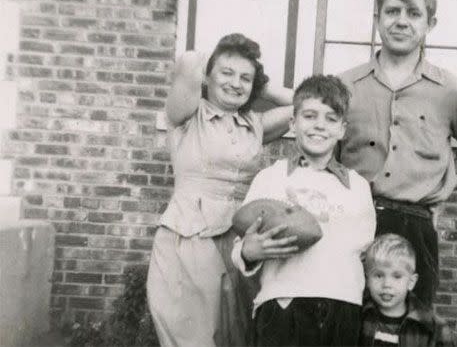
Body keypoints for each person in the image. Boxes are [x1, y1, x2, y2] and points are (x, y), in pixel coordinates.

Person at [338, 0, 457, 307]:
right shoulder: (345, 86)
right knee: (346, 318)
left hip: (415, 226)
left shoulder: (449, 90)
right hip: (353, 221)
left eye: (413, 13)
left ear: (429, 24)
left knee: (412, 324)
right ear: (377, 19)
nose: (401, 21)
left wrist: (445, 182)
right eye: (392, 11)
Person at [146, 33, 294, 347]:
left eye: (245, 78)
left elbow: (305, 104)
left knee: (236, 334)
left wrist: (262, 84)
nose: (235, 83)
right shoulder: (187, 114)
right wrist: (221, 63)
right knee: (193, 337)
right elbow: (187, 62)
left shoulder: (255, 124)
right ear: (208, 77)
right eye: (226, 73)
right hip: (189, 237)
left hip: (239, 241)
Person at [231, 75, 377, 346]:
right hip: (283, 304)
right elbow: (241, 246)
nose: (319, 126)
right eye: (309, 116)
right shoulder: (271, 178)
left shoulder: (357, 186)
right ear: (292, 123)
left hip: (342, 305)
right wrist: (249, 252)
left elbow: (363, 251)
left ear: (342, 129)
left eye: (331, 119)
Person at [360, 234, 453, 347]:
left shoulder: (433, 327)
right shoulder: (358, 319)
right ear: (367, 279)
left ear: (411, 282)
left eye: (397, 276)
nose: (387, 284)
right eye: (379, 276)